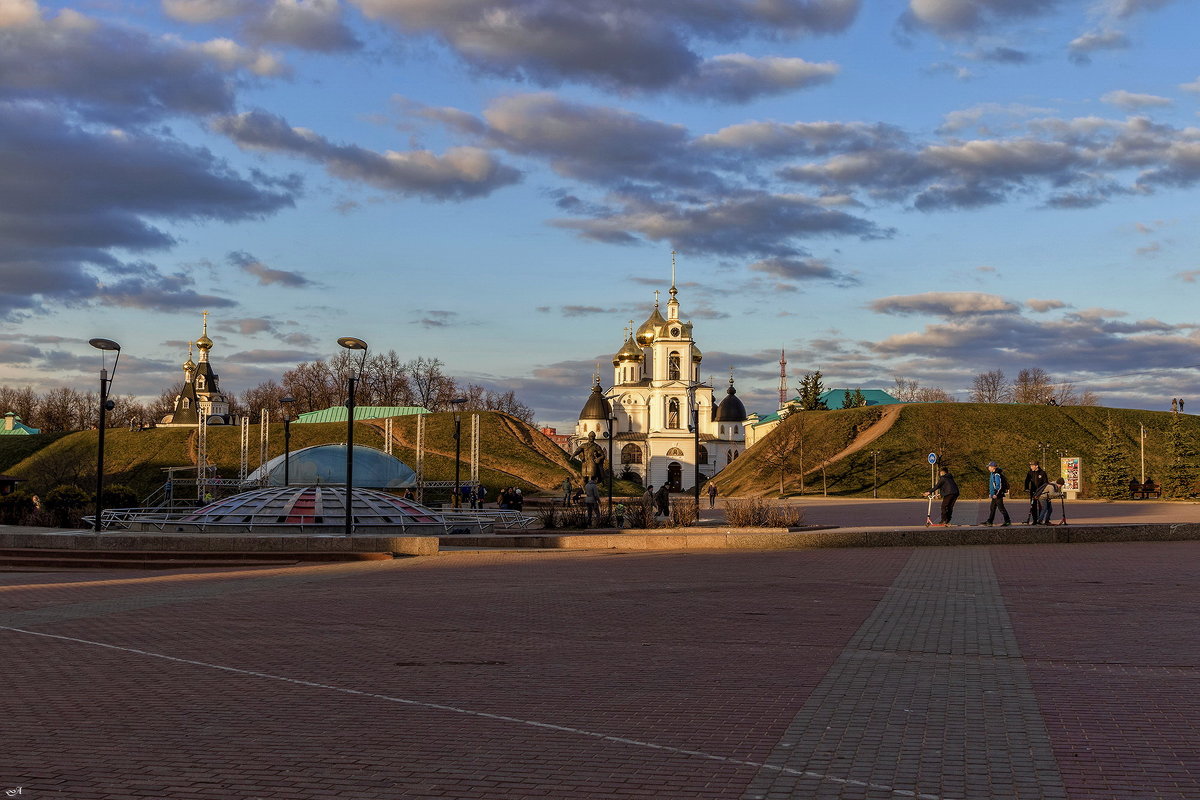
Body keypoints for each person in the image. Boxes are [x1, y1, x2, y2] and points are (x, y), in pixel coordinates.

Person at [984, 461, 1011, 526]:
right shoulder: (992, 473)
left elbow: (998, 485)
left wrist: (995, 494)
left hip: (998, 494)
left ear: (993, 467)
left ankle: (1007, 521)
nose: (988, 468)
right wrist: (991, 493)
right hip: (994, 494)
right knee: (992, 507)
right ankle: (990, 521)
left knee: (1001, 508)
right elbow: (992, 485)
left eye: (989, 467)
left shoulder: (997, 474)